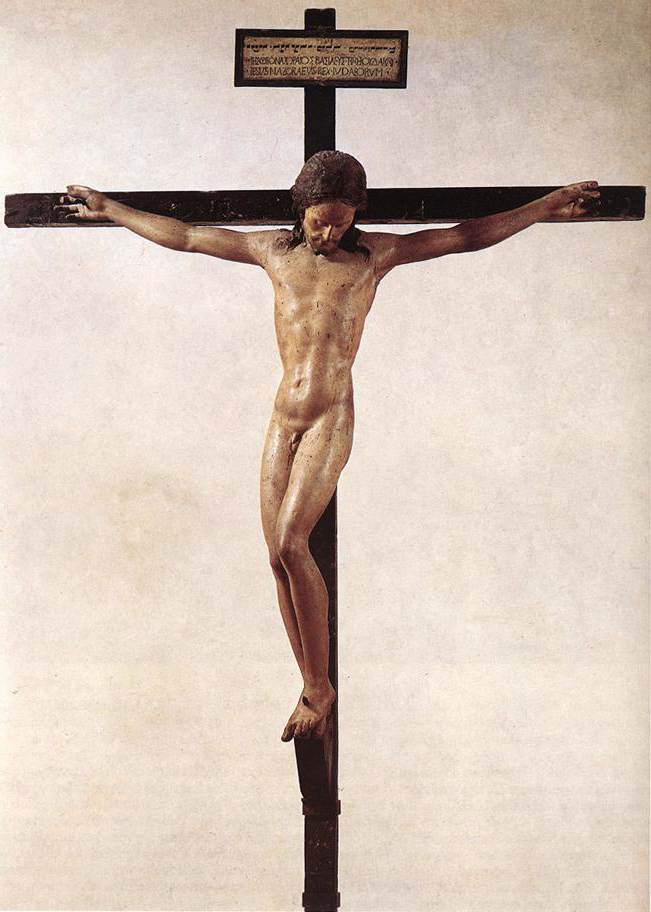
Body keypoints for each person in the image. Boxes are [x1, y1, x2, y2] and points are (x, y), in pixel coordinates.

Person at [59, 152, 599, 742]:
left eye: (341, 223)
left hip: (328, 416)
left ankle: (320, 689)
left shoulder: (374, 258)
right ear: (302, 210)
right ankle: (310, 685)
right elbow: (187, 236)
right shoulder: (272, 251)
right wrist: (110, 209)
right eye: (320, 222)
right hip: (282, 416)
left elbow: (464, 236)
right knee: (275, 558)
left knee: (293, 542)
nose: (328, 234)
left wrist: (543, 207)